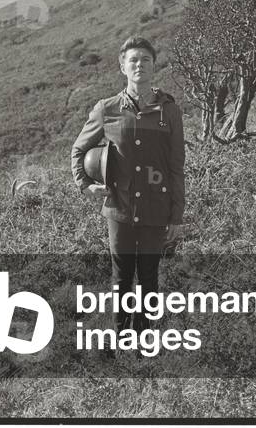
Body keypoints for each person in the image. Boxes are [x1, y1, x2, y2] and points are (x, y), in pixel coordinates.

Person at [70, 35, 185, 334]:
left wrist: (176, 215)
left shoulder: (169, 111)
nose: (139, 65)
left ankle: (144, 342)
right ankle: (119, 342)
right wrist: (85, 184)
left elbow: (176, 167)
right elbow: (78, 150)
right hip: (118, 210)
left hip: (156, 209)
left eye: (145, 59)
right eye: (133, 60)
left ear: (154, 66)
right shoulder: (105, 109)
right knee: (121, 278)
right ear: (123, 66)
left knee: (149, 277)